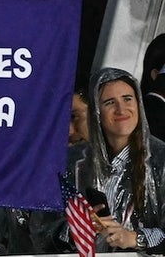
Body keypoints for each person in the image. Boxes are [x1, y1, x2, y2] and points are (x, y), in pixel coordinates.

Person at [61, 67, 165, 252]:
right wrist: (79, 228)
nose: (120, 109)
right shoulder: (72, 162)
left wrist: (135, 238)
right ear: (96, 112)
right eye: (109, 102)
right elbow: (42, 229)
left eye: (127, 99)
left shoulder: (161, 161)